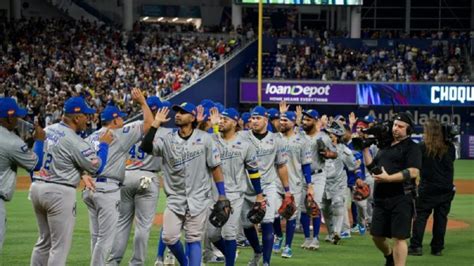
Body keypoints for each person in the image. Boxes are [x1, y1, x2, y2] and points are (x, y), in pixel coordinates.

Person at [140, 102, 229, 266]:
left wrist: (222, 194)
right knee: (169, 237)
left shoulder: (205, 139)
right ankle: (185, 263)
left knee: (194, 239)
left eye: (183, 112)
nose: (178, 114)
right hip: (175, 199)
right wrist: (155, 124)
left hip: (199, 198)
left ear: (193, 117)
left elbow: (216, 168)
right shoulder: (168, 139)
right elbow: (145, 147)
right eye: (177, 112)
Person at [29, 96, 113, 265]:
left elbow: (36, 159)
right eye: (85, 115)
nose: (87, 119)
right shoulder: (75, 140)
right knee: (59, 247)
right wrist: (104, 145)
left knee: (43, 242)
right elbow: (96, 167)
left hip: (37, 187)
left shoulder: (48, 129)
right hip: (59, 192)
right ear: (76, 117)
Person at [83, 88, 153, 266]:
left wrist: (84, 175)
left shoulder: (91, 137)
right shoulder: (119, 134)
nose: (123, 119)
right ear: (114, 121)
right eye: (120, 117)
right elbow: (149, 124)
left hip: (88, 189)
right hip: (107, 189)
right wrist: (143, 103)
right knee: (105, 240)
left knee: (96, 237)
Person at [107, 96, 167, 265]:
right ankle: (136, 263)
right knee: (143, 227)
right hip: (148, 177)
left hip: (126, 176)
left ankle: (113, 261)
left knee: (122, 223)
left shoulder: (131, 128)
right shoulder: (163, 133)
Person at [205, 107, 265, 266]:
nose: (222, 121)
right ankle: (231, 255)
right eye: (221, 119)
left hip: (235, 194)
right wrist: (212, 126)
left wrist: (259, 194)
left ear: (235, 122)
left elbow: (253, 172)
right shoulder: (212, 139)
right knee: (211, 234)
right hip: (213, 193)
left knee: (229, 233)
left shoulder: (246, 145)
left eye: (226, 119)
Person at [363, 112, 422, 266]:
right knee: (376, 236)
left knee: (399, 237)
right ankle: (389, 256)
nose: (396, 129)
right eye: (395, 125)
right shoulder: (385, 146)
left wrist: (389, 178)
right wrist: (365, 149)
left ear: (408, 130)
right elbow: (372, 169)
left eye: (401, 126)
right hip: (381, 197)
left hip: (402, 197)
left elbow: (414, 171)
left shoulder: (412, 147)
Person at [239, 106, 291, 266]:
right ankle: (257, 251)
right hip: (245, 187)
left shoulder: (276, 139)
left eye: (257, 118)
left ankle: (266, 262)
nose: (254, 121)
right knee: (247, 224)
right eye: (252, 118)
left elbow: (281, 166)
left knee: (267, 222)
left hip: (268, 186)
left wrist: (287, 191)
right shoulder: (241, 136)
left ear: (265, 120)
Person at [0, 98, 44, 251]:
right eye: (16, 116)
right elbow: (36, 164)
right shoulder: (11, 141)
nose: (19, 120)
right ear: (9, 117)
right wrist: (39, 141)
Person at [408, 119, 456, 256]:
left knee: (420, 217)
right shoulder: (449, 146)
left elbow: (416, 166)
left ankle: (416, 246)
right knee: (441, 219)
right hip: (446, 189)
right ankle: (437, 248)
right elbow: (451, 160)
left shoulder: (422, 147)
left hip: (427, 189)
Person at [272, 111, 314, 258]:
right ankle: (278, 235)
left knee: (290, 216)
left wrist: (310, 185)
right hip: (275, 182)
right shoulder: (274, 138)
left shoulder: (302, 141)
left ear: (293, 122)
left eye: (285, 120)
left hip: (295, 183)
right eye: (281, 120)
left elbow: (306, 165)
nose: (282, 122)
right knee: (273, 214)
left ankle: (288, 246)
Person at [296, 107, 337, 250]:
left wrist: (327, 153)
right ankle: (307, 238)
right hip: (301, 175)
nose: (304, 122)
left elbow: (335, 153)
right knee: (303, 208)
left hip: (318, 174)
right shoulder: (299, 135)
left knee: (315, 205)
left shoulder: (324, 137)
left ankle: (315, 239)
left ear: (315, 121)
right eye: (304, 119)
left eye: (308, 119)